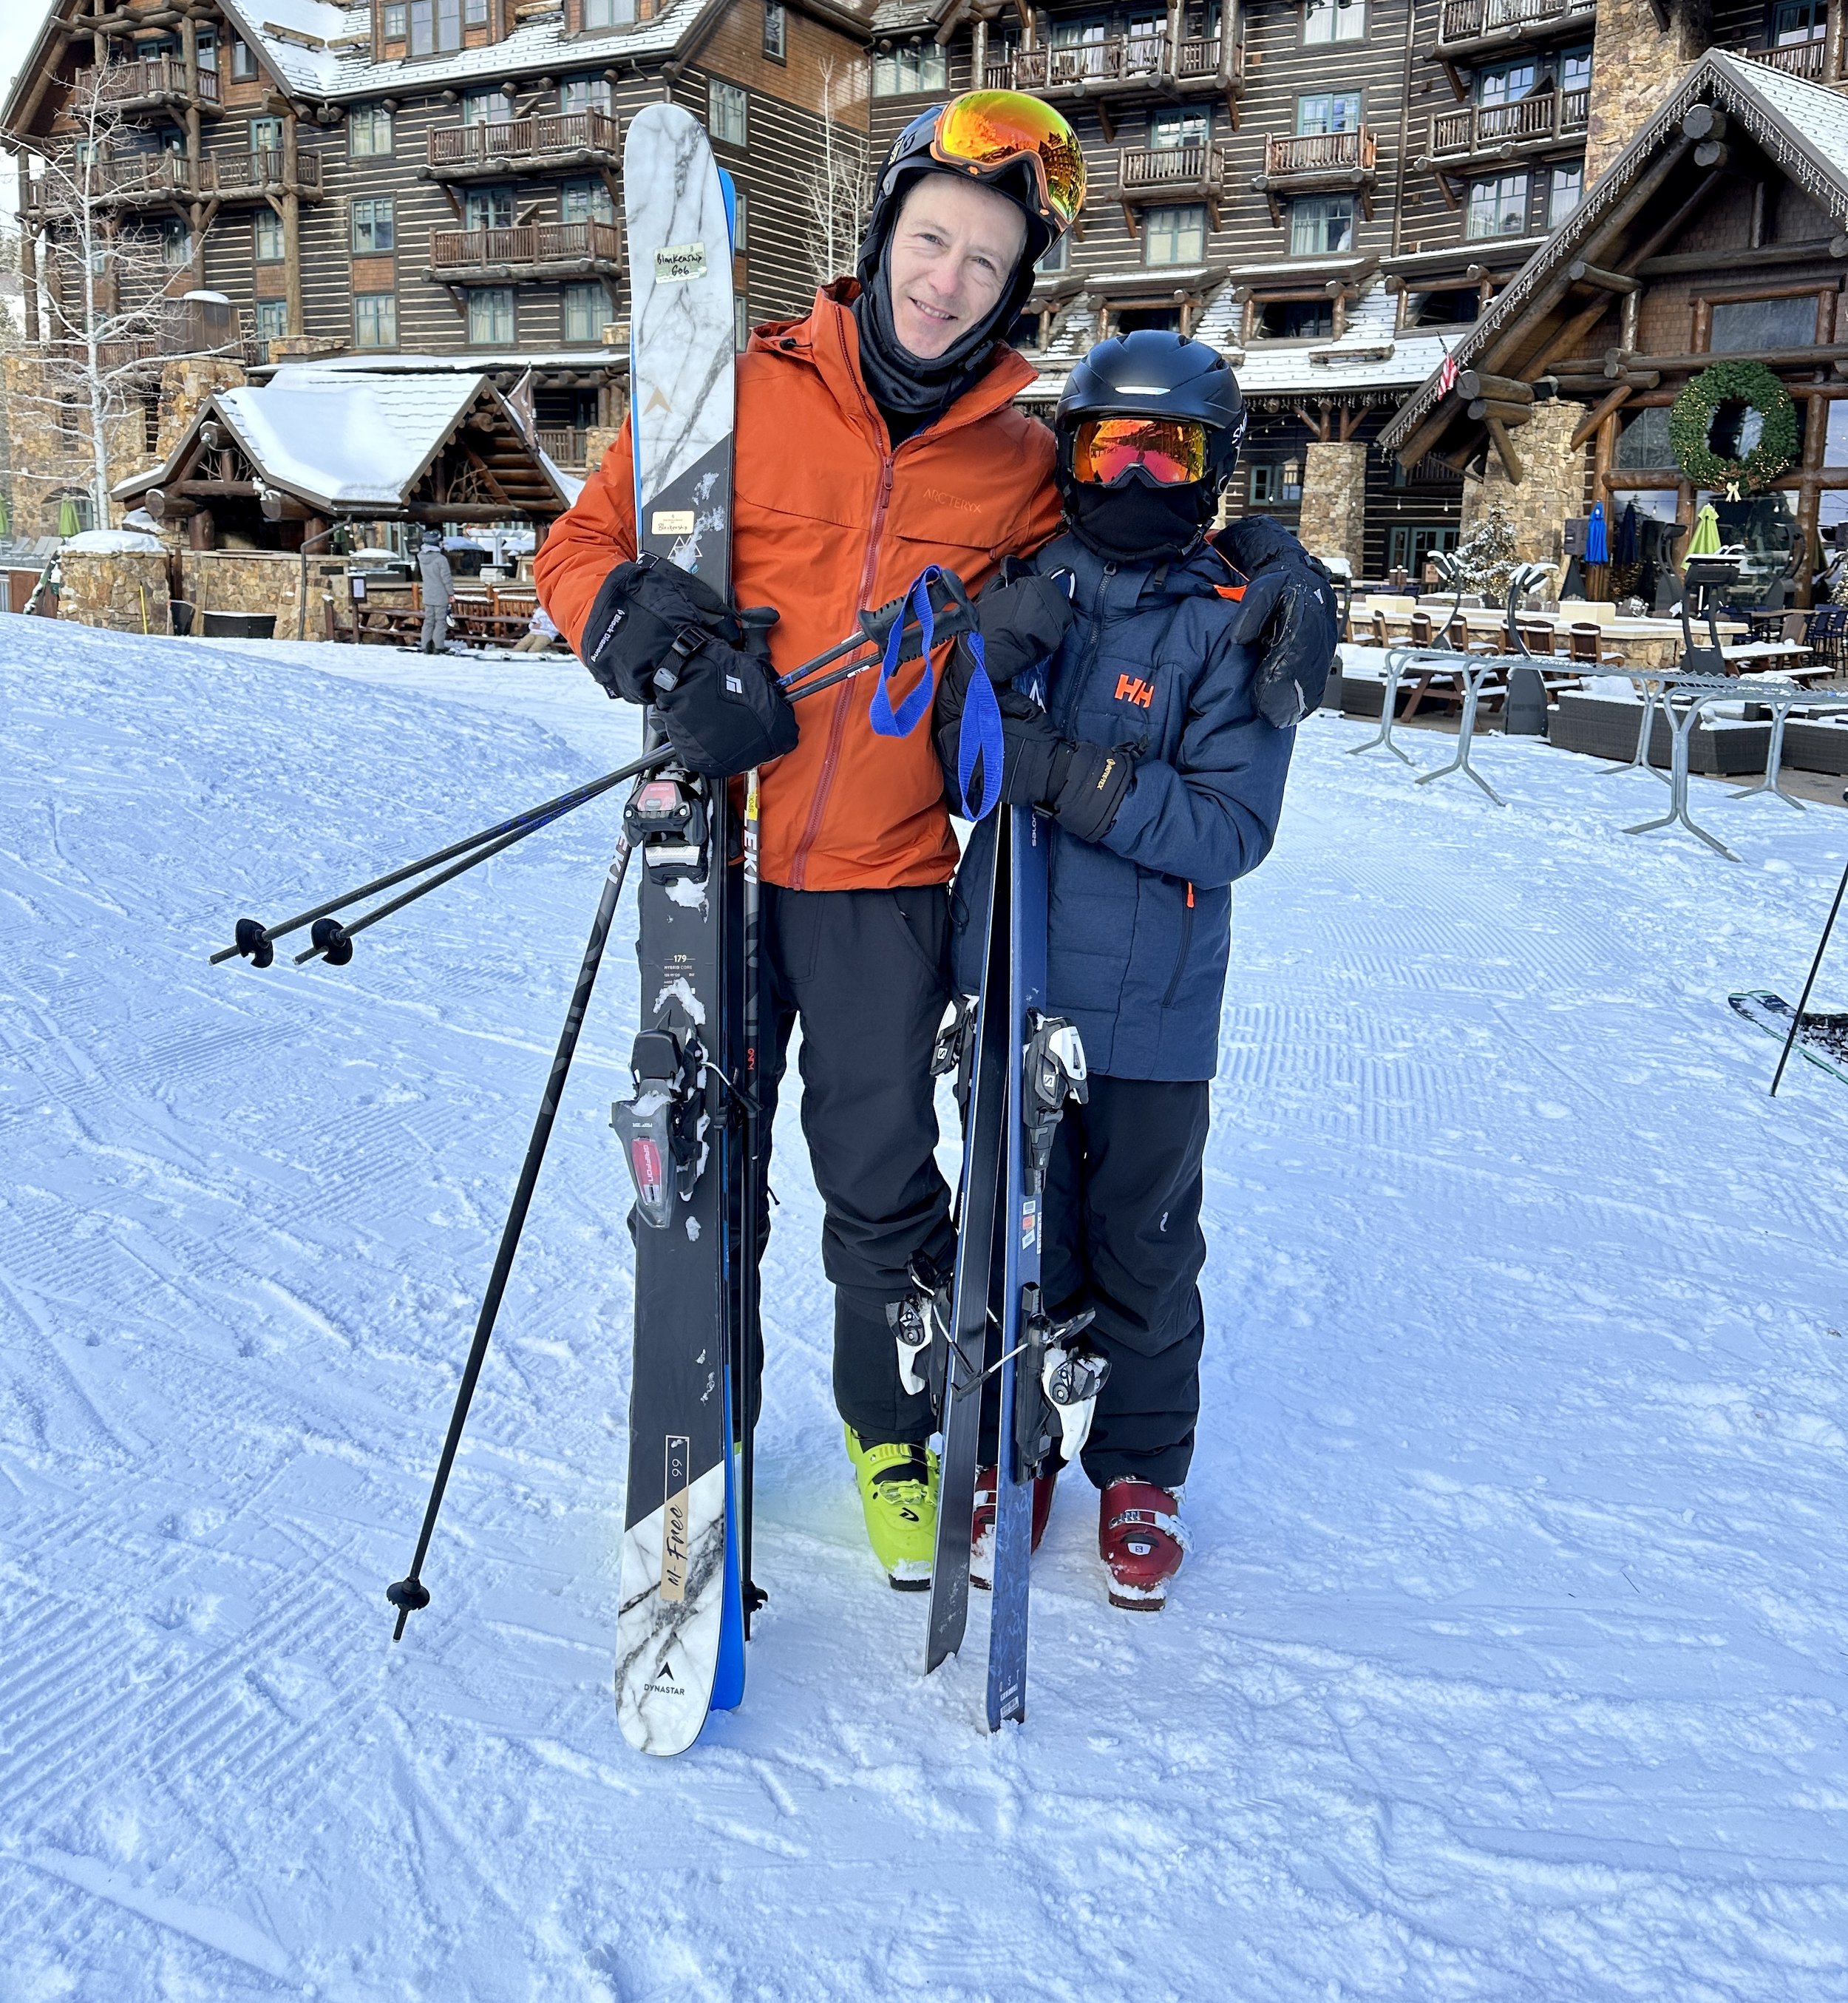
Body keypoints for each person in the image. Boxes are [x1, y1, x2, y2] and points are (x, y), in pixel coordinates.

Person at [534, 92, 1334, 1593]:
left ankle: (889, 1432)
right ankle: (699, 1440)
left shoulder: (1020, 462)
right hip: (710, 846)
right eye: (929, 236)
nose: (945, 275)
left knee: (885, 1184)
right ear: (882, 231)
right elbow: (577, 547)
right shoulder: (739, 388)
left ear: (1013, 286)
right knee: (708, 1173)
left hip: (886, 873)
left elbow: (1136, 540)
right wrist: (637, 631)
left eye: (983, 257)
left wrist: (1275, 563)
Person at [934, 330, 1328, 1610]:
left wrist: (1075, 777)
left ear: (1216, 469)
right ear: (1075, 451)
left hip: (1153, 1006)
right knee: (1013, 1231)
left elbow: (1231, 826)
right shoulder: (1026, 580)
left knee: (1143, 1243)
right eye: (1117, 445)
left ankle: (1141, 1468)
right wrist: (993, 661)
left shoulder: (1237, 620)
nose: (1145, 475)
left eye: (1177, 450)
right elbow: (949, 758)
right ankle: (1018, 1443)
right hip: (1017, 969)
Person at [416, 531, 454, 654]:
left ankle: (425, 645)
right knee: (440, 621)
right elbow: (446, 578)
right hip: (441, 594)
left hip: (428, 593)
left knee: (428, 620)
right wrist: (451, 593)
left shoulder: (421, 557)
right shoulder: (441, 559)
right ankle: (438, 646)